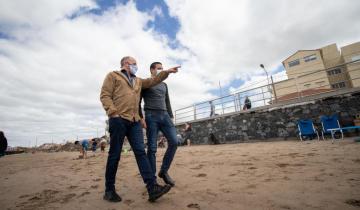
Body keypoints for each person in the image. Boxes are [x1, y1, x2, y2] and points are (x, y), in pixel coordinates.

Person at [100, 56, 179, 203]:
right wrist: (113, 113)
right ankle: (109, 190)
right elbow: (105, 95)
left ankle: (152, 188)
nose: (136, 66)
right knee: (114, 155)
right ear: (125, 64)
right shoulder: (113, 76)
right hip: (118, 120)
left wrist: (166, 72)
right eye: (134, 64)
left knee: (141, 153)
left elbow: (152, 81)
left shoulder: (138, 81)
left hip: (134, 121)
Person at [139, 62, 178, 187]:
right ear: (152, 70)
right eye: (159, 68)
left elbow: (167, 101)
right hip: (151, 116)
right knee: (152, 148)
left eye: (162, 68)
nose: (161, 70)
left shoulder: (164, 85)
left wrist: (171, 116)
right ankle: (152, 179)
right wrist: (141, 118)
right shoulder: (145, 83)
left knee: (174, 142)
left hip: (165, 115)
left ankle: (164, 171)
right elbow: (138, 101)